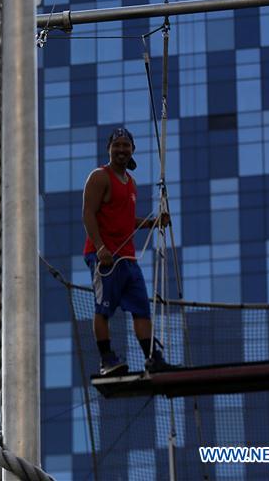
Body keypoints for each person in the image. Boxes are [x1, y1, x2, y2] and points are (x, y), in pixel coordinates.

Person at [82, 128, 175, 376]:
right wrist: (100, 248)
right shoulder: (100, 177)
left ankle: (152, 358)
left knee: (141, 308)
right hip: (105, 258)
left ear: (133, 150)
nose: (122, 149)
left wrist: (152, 223)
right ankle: (107, 360)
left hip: (127, 259)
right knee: (103, 309)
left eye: (126, 145)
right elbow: (88, 214)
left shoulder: (131, 184)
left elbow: (124, 219)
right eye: (117, 145)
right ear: (109, 149)